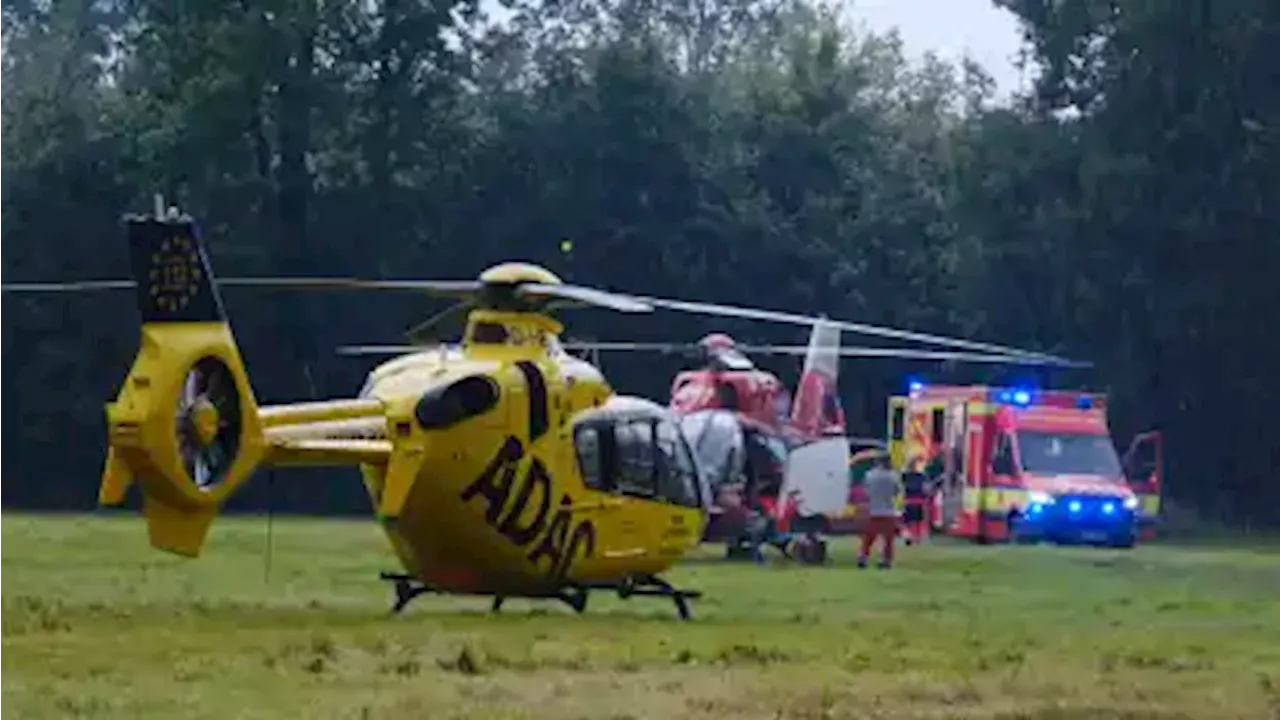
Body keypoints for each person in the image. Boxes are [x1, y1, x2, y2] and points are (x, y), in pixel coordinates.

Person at [859, 454, 902, 569]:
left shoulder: (869, 475)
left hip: (873, 509)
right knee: (888, 539)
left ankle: (863, 557)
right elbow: (896, 492)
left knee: (869, 537)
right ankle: (886, 560)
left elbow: (866, 491)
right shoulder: (893, 476)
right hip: (888, 510)